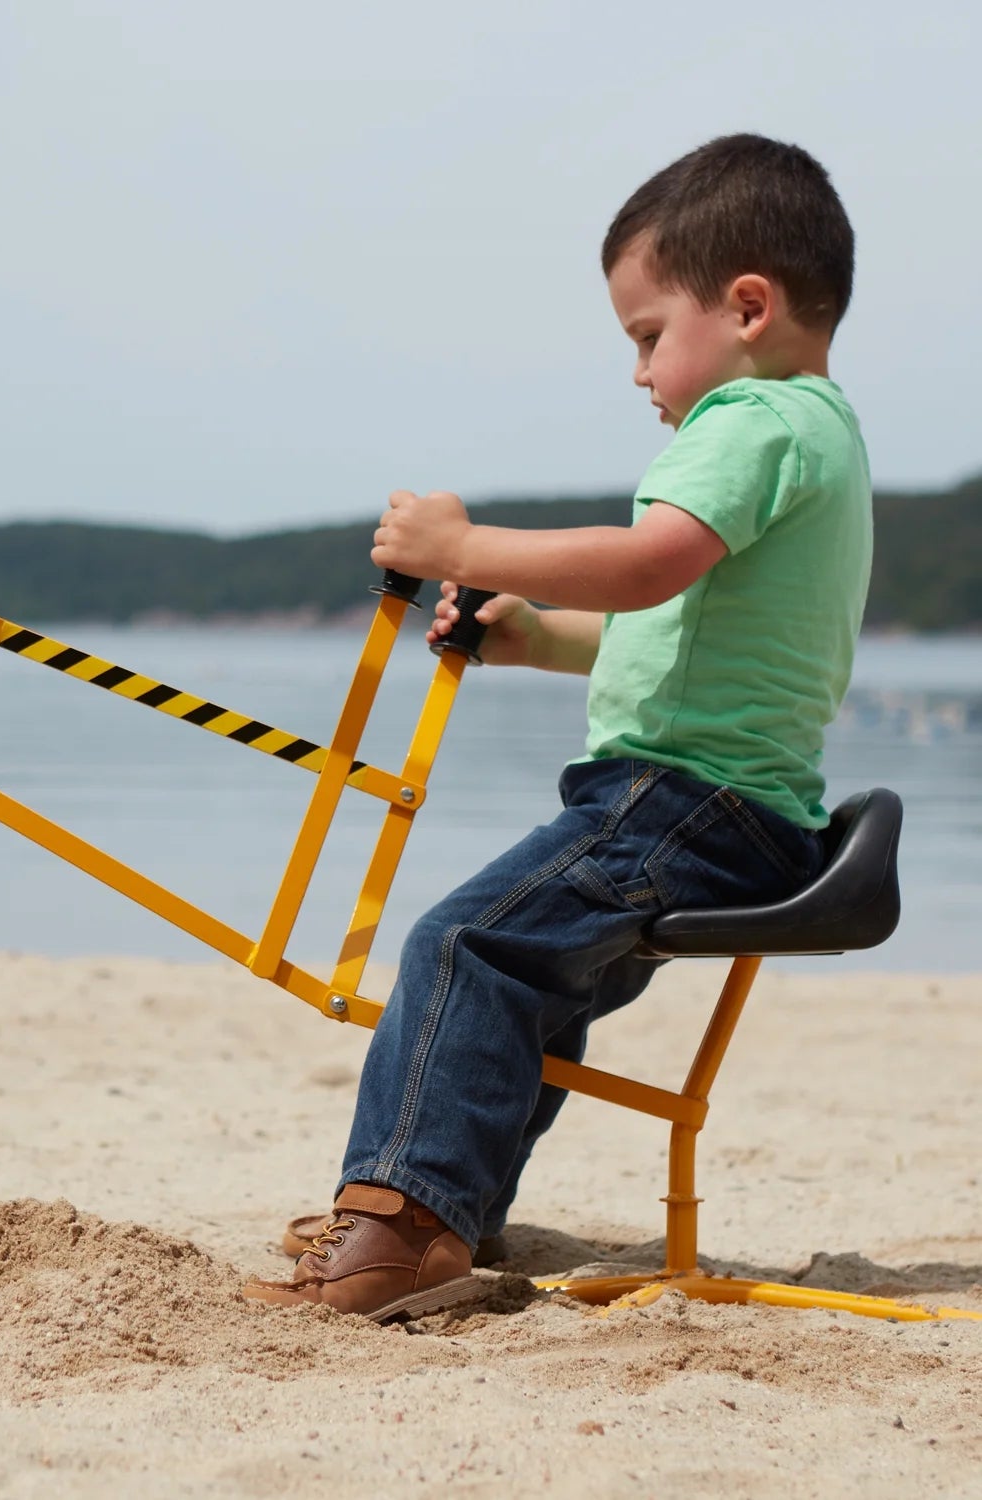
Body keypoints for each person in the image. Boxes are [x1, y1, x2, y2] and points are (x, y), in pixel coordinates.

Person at [243, 133, 872, 1322]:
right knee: (527, 984)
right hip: (733, 806)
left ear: (747, 306)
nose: (639, 373)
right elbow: (677, 630)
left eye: (646, 335)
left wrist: (461, 550)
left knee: (466, 943)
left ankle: (403, 1230)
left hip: (681, 801)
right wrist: (534, 635)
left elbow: (645, 566)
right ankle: (448, 1207)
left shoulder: (751, 420)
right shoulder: (824, 433)